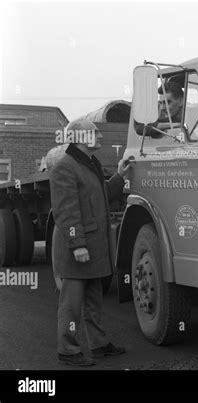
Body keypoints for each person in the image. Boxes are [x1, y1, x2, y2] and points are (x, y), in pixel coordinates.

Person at [50, 118, 131, 366]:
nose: (101, 136)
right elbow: (66, 212)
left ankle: (98, 344)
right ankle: (68, 350)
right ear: (78, 137)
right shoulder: (65, 167)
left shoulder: (89, 163)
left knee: (94, 302)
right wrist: (78, 244)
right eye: (95, 133)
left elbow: (102, 196)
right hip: (80, 250)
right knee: (71, 305)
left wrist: (119, 175)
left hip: (95, 248)